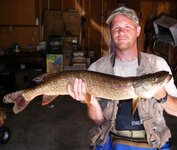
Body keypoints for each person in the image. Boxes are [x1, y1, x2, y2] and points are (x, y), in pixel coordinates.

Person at [67, 6, 177, 150]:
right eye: (116, 27)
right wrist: (90, 101)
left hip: (152, 142)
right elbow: (99, 120)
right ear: (111, 33)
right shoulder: (97, 68)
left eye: (127, 26)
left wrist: (162, 96)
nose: (121, 32)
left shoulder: (157, 64)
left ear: (137, 31)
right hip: (112, 140)